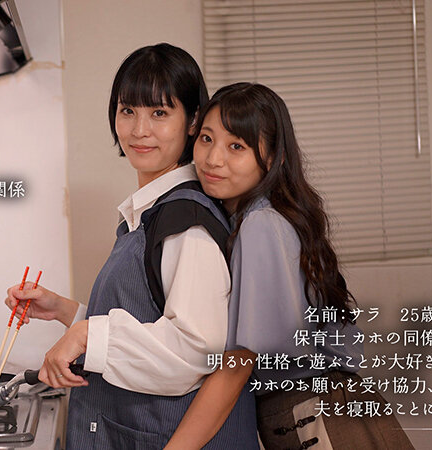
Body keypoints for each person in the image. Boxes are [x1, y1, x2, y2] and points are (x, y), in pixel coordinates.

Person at [4, 44, 259, 449]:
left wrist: (86, 334)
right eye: (128, 111)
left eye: (159, 113)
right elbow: (147, 318)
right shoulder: (153, 212)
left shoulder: (185, 222)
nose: (139, 130)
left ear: (193, 121)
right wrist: (66, 312)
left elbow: (195, 350)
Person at [171, 81, 415, 449]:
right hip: (327, 407)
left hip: (316, 416)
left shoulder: (260, 224)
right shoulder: (266, 216)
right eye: (206, 139)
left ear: (273, 158)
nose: (213, 159)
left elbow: (239, 364)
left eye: (236, 146)